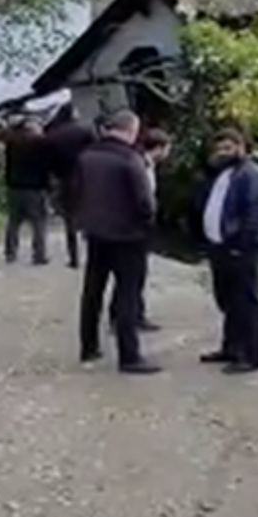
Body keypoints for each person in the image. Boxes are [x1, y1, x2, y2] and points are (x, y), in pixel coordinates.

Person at [71, 109, 159, 374]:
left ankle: (88, 346)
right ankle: (129, 356)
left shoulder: (86, 156)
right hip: (128, 235)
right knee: (127, 294)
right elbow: (144, 200)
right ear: (131, 130)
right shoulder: (130, 159)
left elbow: (73, 191)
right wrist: (147, 224)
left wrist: (82, 220)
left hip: (96, 233)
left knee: (92, 291)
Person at [195, 127, 258, 374]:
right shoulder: (222, 174)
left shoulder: (252, 175)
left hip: (242, 249)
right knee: (229, 301)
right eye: (219, 149)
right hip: (220, 247)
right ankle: (231, 348)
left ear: (241, 147)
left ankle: (250, 356)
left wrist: (242, 245)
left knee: (247, 303)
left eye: (228, 148)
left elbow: (255, 215)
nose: (223, 153)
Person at [0, 115, 53, 265]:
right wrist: (48, 185)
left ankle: (10, 252)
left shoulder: (12, 141)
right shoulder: (40, 142)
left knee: (13, 221)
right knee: (39, 222)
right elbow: (46, 166)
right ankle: (39, 254)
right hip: (35, 188)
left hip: (14, 186)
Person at [129, 127, 173, 333]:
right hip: (136, 228)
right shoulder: (141, 165)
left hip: (140, 227)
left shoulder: (146, 164)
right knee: (134, 274)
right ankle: (130, 316)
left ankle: (133, 313)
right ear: (160, 148)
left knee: (136, 274)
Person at [44, 106, 95, 269]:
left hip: (65, 178)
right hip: (86, 176)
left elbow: (49, 161)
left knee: (69, 218)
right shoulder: (85, 131)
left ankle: (74, 257)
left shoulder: (54, 135)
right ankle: (94, 252)